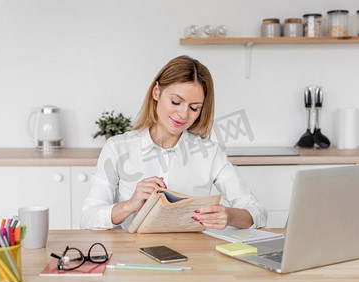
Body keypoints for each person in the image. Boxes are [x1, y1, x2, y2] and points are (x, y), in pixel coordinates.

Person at [81, 55, 267, 231]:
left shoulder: (210, 153)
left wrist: (228, 215)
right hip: (134, 254)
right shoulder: (118, 148)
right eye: (176, 102)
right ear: (156, 92)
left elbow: (257, 212)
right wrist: (130, 205)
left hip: (194, 255)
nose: (184, 114)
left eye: (194, 108)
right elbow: (88, 217)